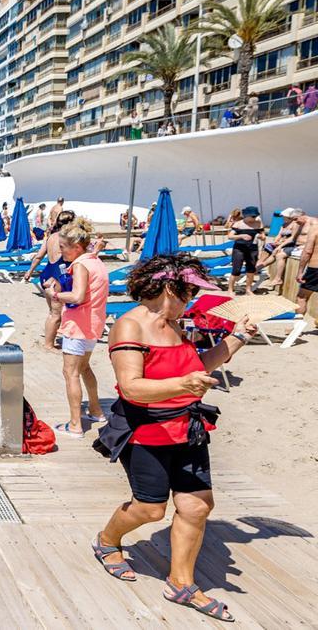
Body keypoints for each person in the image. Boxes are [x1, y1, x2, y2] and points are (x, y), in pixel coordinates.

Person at [93, 254, 256, 623]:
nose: (193, 298)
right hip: (146, 431)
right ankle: (106, 541)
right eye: (189, 291)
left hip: (189, 428)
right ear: (168, 288)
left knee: (197, 507)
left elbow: (197, 367)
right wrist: (182, 385)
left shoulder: (175, 323)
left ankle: (181, 583)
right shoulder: (129, 327)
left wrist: (239, 338)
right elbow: (133, 388)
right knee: (151, 509)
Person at [44, 220, 109, 437]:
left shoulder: (81, 264)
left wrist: (55, 295)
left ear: (77, 247)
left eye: (63, 247)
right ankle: (96, 410)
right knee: (84, 368)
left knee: (70, 373)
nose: (60, 251)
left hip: (78, 325)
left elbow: (78, 296)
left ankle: (75, 425)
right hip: (93, 324)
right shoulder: (96, 261)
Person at [24, 210, 77, 351]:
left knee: (52, 312)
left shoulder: (51, 237)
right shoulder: (66, 239)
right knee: (56, 314)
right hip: (57, 278)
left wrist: (30, 271)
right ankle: (49, 344)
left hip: (46, 275)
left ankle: (50, 335)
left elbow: (38, 256)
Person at [226, 205, 263, 294]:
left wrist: (261, 237)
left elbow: (263, 235)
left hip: (252, 248)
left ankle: (248, 289)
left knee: (251, 270)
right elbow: (230, 236)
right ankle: (230, 289)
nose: (255, 218)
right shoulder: (238, 224)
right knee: (236, 269)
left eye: (256, 216)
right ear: (246, 215)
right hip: (240, 248)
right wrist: (241, 236)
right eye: (253, 216)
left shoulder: (258, 223)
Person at [295, 215, 318, 316]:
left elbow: (308, 251)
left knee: (302, 297)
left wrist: (300, 271)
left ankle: (297, 327)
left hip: (316, 268)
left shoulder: (315, 227)